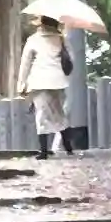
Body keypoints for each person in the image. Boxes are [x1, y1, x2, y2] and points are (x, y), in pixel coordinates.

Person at [17, 16, 73, 158]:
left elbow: (25, 64)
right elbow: (71, 59)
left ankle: (43, 151)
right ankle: (69, 148)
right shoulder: (62, 39)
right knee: (58, 114)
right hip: (58, 81)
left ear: (41, 23)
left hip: (39, 81)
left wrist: (21, 85)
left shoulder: (33, 40)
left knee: (42, 115)